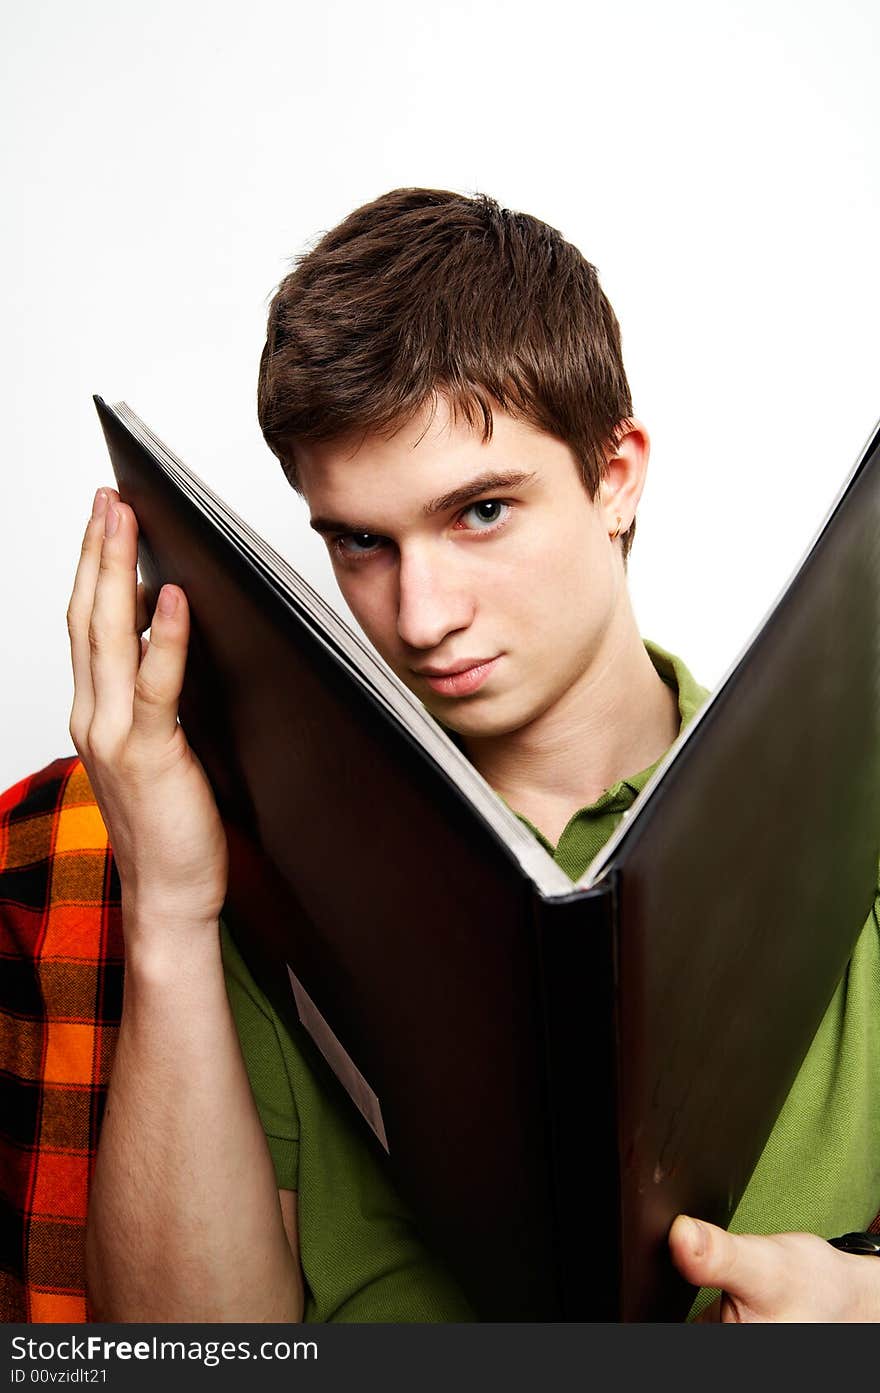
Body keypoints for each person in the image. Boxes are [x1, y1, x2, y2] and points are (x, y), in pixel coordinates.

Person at [55, 189, 880, 1321]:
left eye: (480, 511)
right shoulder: (268, 868)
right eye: (361, 540)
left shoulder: (853, 814)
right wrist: (168, 908)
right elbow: (179, 1359)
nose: (423, 614)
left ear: (616, 474)